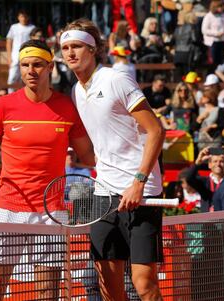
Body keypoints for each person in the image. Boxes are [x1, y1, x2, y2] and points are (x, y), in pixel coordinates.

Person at [0, 39, 94, 300]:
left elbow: (89, 156)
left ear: (50, 66)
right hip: (7, 209)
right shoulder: (2, 106)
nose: (31, 70)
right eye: (25, 65)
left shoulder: (67, 108)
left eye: (38, 64)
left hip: (50, 211)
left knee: (46, 293)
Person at [61, 19, 165, 301]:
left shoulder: (116, 79)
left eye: (77, 46)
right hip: (103, 194)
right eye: (65, 47)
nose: (70, 53)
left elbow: (156, 130)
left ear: (93, 49)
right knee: (109, 285)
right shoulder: (76, 91)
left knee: (144, 284)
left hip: (141, 192)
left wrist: (139, 182)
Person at [183, 146, 224, 212]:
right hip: (207, 219)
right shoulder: (204, 182)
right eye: (215, 161)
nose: (218, 164)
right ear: (209, 165)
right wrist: (197, 163)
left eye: (221, 161)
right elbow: (189, 178)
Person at [6, 10, 35, 92]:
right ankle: (10, 96)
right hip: (15, 56)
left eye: (25, 16)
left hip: (27, 55)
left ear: (28, 17)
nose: (23, 18)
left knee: (25, 77)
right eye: (22, 16)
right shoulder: (14, 27)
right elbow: (9, 42)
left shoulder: (32, 28)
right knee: (12, 78)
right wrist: (9, 57)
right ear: (18, 17)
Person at [201, 0, 224, 69]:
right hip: (212, 42)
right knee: (213, 61)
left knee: (221, 60)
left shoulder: (223, 15)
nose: (221, 8)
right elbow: (204, 30)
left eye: (222, 6)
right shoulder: (209, 16)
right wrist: (216, 33)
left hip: (221, 41)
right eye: (219, 7)